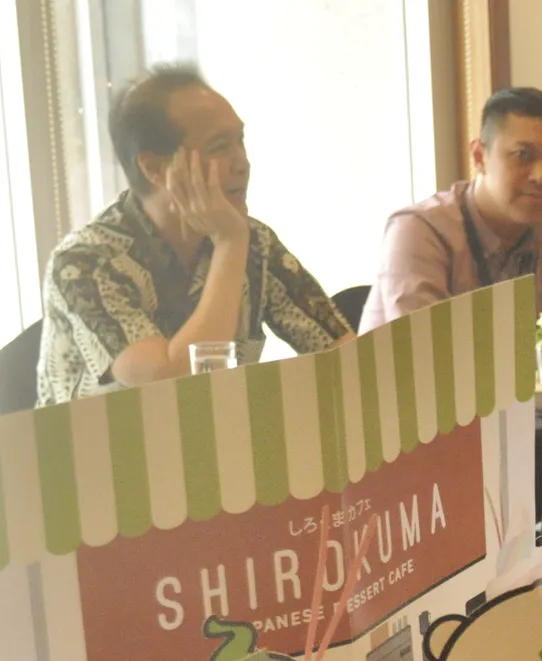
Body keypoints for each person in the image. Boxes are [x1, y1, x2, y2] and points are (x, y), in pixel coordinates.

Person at [36, 65, 351, 407]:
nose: (243, 163)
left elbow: (345, 356)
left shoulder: (255, 242)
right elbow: (171, 384)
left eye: (240, 141)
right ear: (154, 168)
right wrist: (229, 244)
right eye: (220, 147)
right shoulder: (85, 262)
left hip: (222, 435)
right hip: (114, 442)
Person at [360, 87, 542, 356]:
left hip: (515, 400)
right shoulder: (420, 231)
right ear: (479, 156)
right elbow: (425, 357)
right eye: (523, 155)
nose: (541, 176)